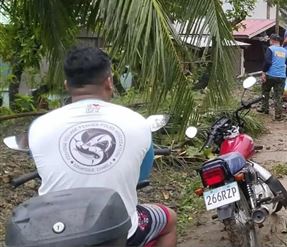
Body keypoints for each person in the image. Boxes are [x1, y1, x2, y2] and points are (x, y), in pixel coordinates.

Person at [28, 46, 177, 247]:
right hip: (121, 232)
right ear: (109, 82)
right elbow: (141, 176)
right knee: (169, 220)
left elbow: (43, 169)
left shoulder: (40, 127)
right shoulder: (136, 122)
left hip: (56, 233)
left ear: (66, 85)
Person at [260, 34, 287, 120]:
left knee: (265, 91)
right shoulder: (285, 51)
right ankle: (278, 116)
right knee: (278, 96)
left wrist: (264, 72)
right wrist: (285, 75)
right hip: (281, 77)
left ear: (273, 40)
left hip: (270, 75)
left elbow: (267, 62)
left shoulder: (270, 49)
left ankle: (264, 108)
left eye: (270, 40)